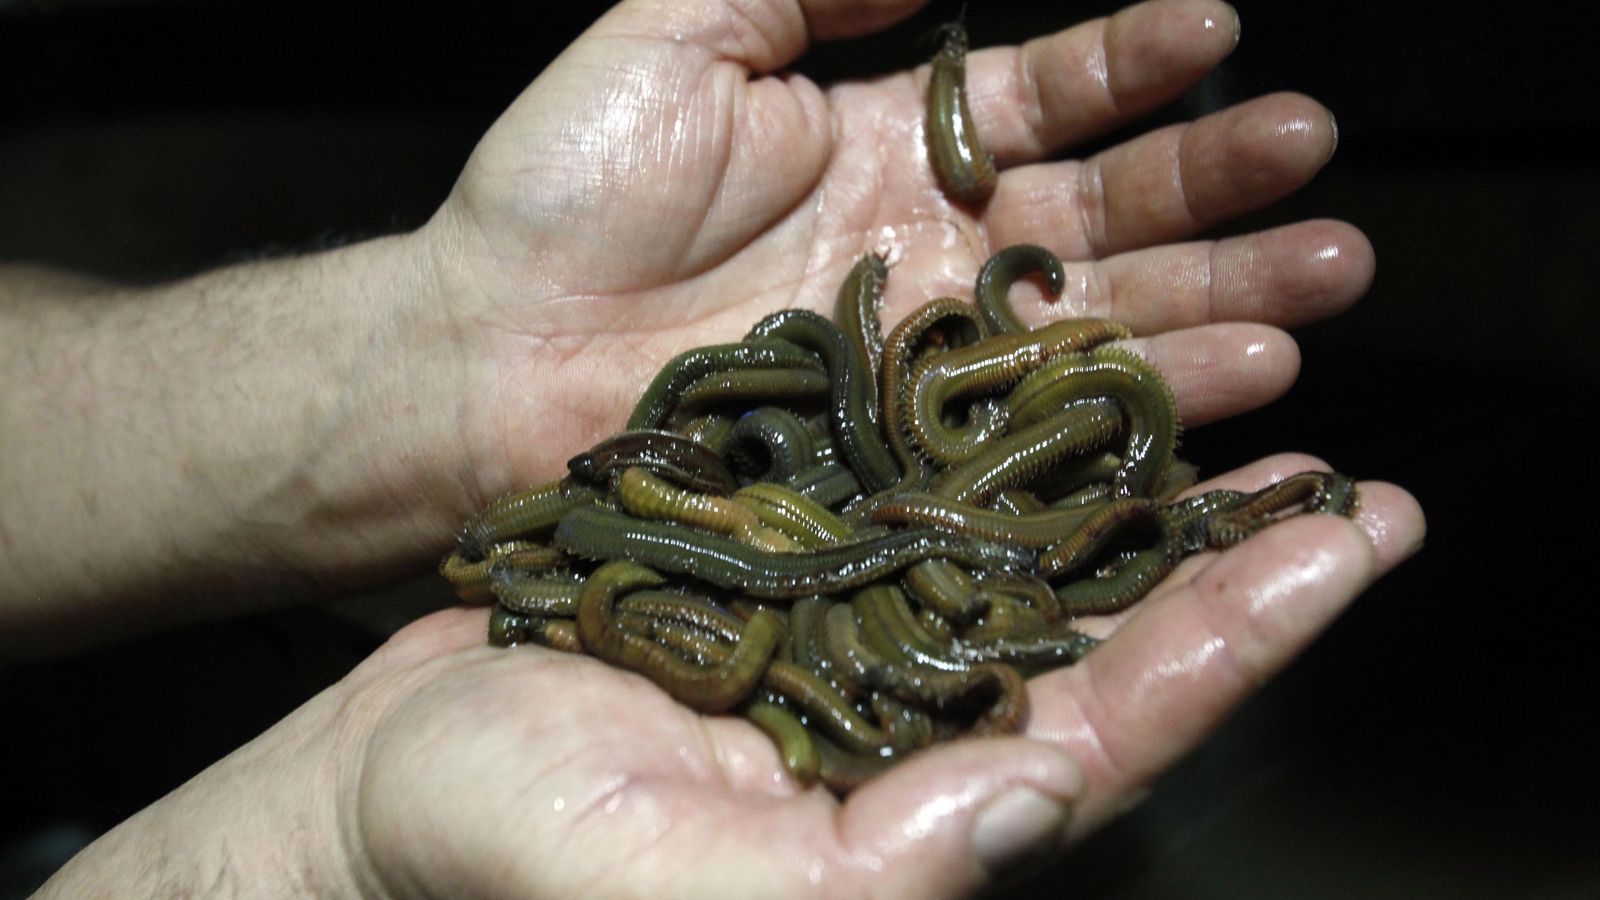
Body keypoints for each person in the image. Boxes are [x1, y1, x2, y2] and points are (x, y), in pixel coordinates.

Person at [1, 0, 1424, 895]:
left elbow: (900, 493)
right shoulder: (711, 514)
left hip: (902, 522)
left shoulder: (912, 479)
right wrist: (320, 845)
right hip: (853, 531)